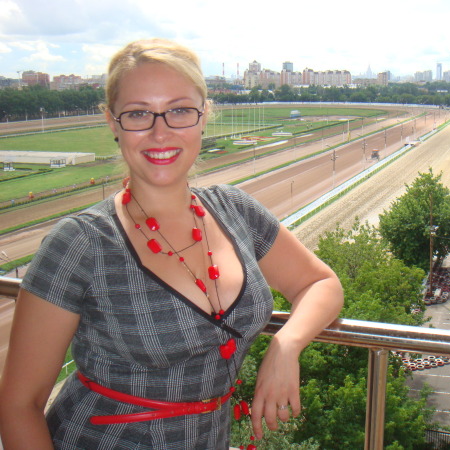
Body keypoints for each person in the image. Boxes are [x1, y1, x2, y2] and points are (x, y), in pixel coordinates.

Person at [0, 38, 343, 449]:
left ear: (204, 116)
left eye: (179, 110)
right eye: (138, 113)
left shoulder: (235, 210)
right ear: (113, 123)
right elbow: (18, 405)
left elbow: (321, 283)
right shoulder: (80, 244)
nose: (160, 133)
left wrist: (286, 345)